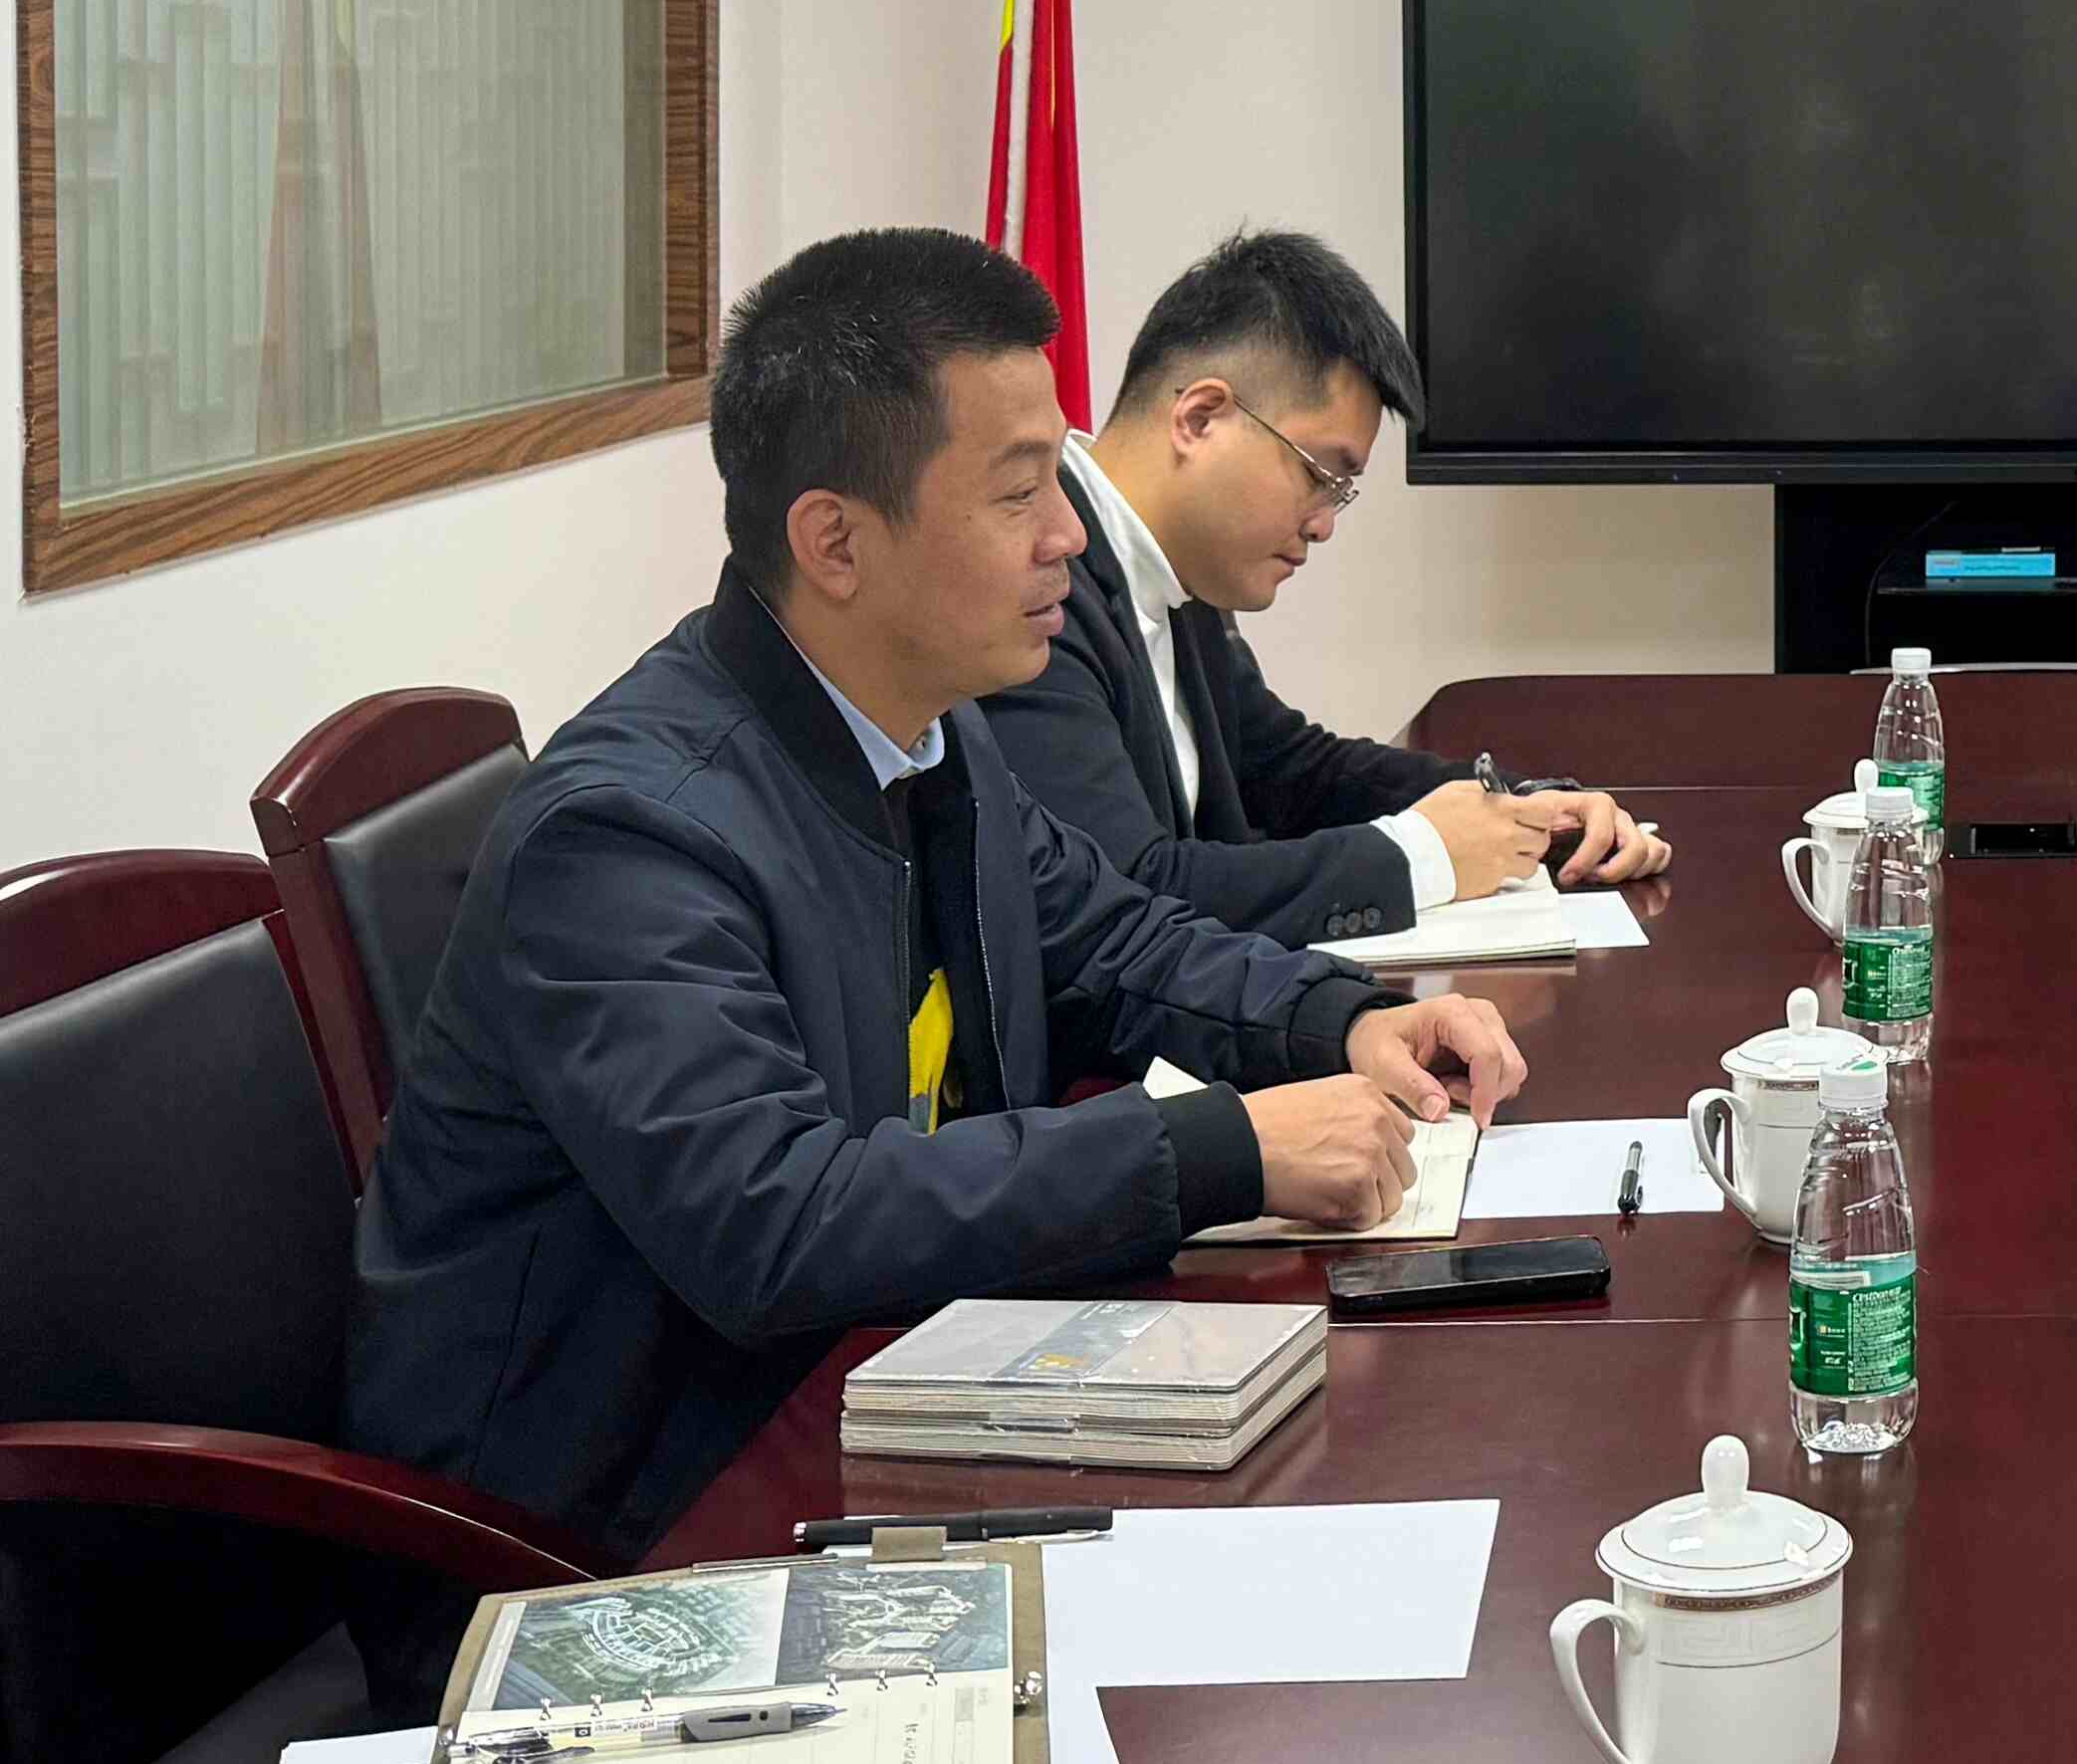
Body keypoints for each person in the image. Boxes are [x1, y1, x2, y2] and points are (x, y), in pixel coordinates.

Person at [345, 229, 1528, 1561]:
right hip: (606, 1534)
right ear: (835, 541)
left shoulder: (926, 731)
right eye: (1019, 493)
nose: (1069, 533)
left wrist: (1342, 1017)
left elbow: (1110, 937)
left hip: (874, 1399)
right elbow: (779, 1217)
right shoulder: (628, 833)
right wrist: (1221, 1148)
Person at [985, 228, 1663, 945]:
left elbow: (1291, 771)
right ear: (1200, 418)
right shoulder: (1038, 588)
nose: (1323, 524)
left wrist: (1522, 810)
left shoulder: (1177, 577)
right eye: (1320, 475)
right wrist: (1423, 855)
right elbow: (1124, 894)